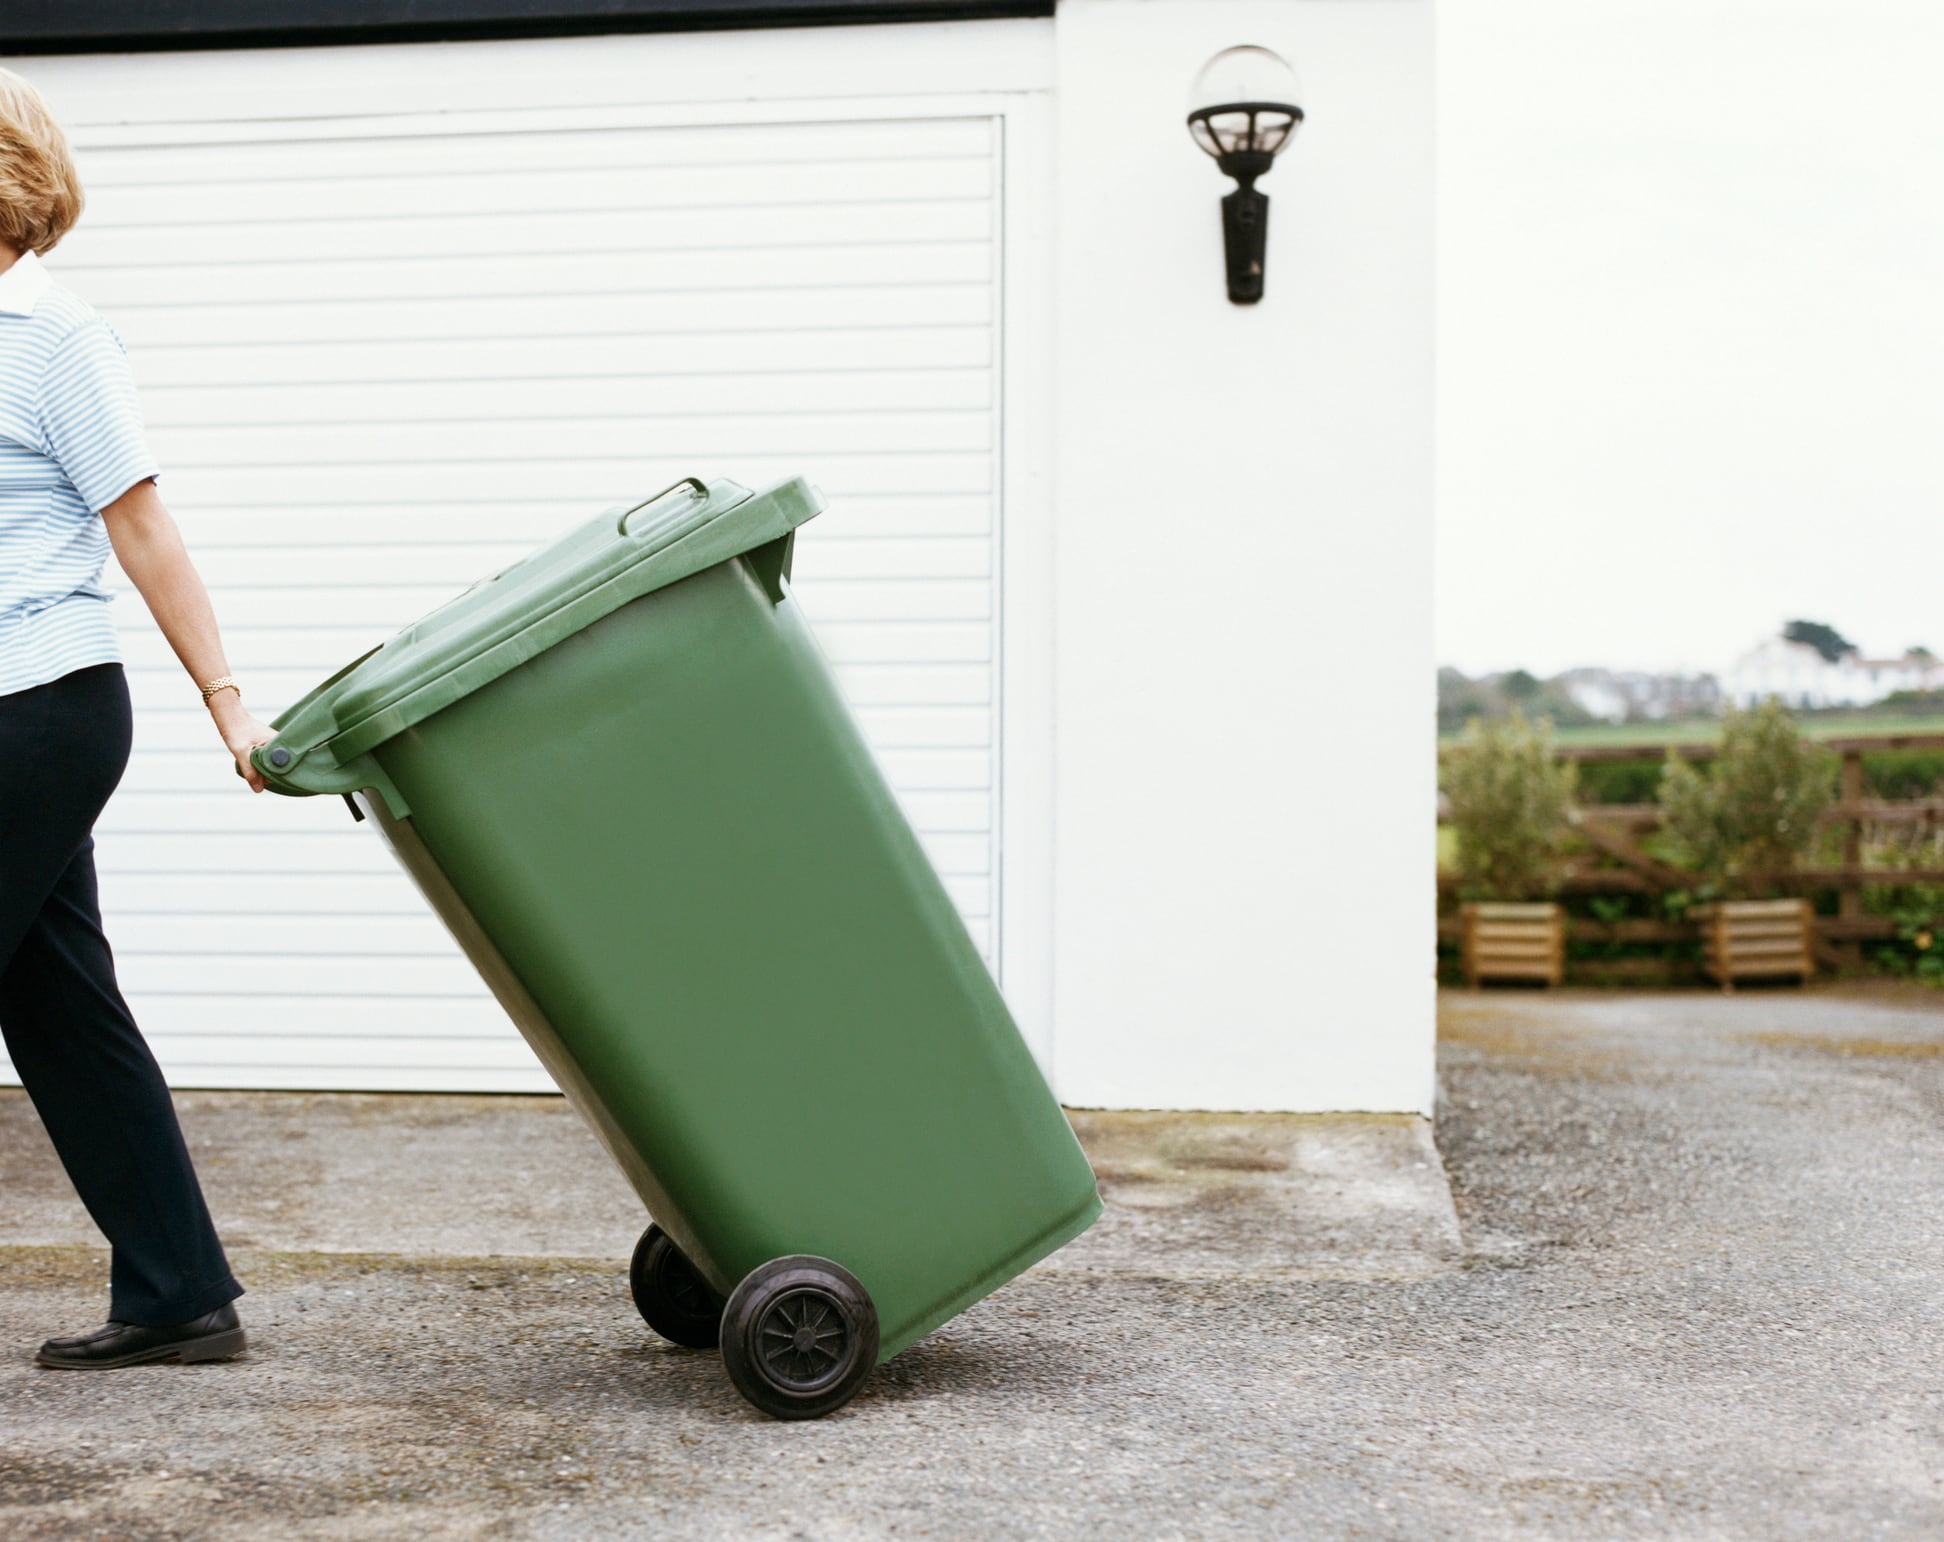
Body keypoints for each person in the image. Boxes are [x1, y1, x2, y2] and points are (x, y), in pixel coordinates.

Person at [1, 66, 275, 1368]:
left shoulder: (57, 340)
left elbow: (144, 526)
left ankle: (176, 1284)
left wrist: (227, 703)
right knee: (58, 1003)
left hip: (41, 709)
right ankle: (176, 1288)